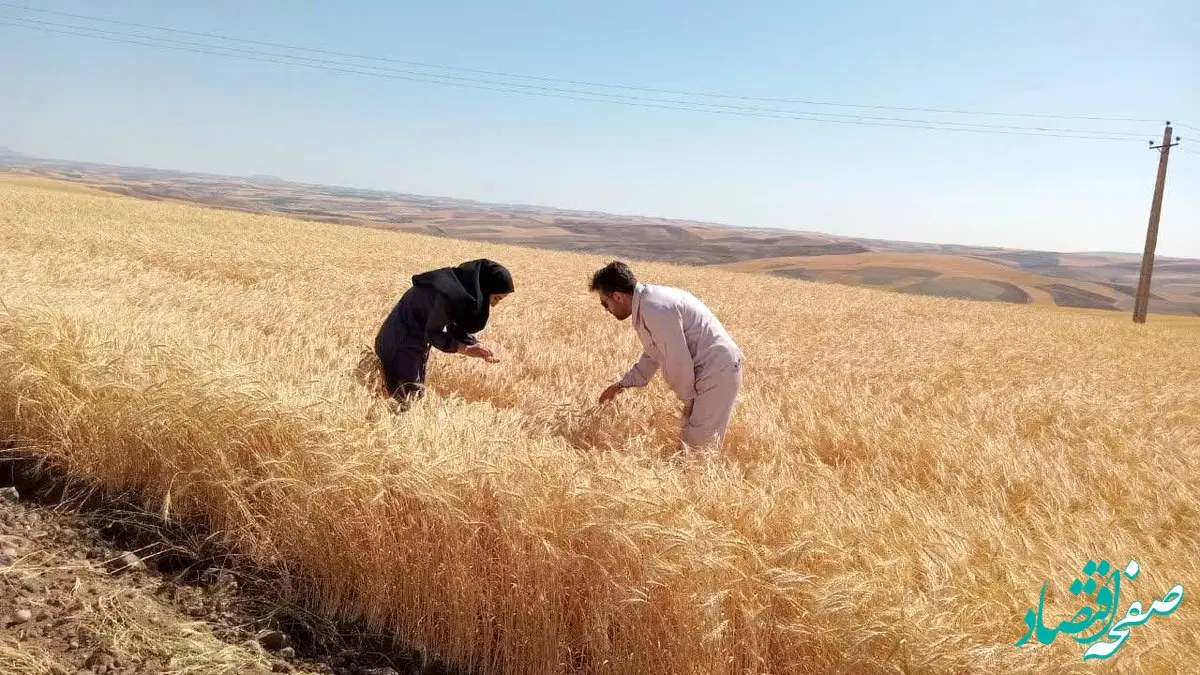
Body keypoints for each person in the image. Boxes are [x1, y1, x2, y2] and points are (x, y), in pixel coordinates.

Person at [590, 261, 744, 456]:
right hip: (712, 372)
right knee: (689, 447)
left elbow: (676, 360)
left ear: (618, 296)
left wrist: (688, 400)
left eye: (605, 303)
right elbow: (653, 355)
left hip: (716, 374)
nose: (606, 310)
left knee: (697, 453)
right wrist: (621, 385)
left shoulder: (656, 309)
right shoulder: (648, 304)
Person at [373, 258, 513, 405]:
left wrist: (475, 344)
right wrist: (464, 348)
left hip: (412, 343)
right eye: (496, 298)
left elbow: (455, 324)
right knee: (407, 402)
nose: (494, 305)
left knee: (411, 398)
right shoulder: (448, 294)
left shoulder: (459, 286)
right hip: (401, 344)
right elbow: (433, 333)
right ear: (485, 288)